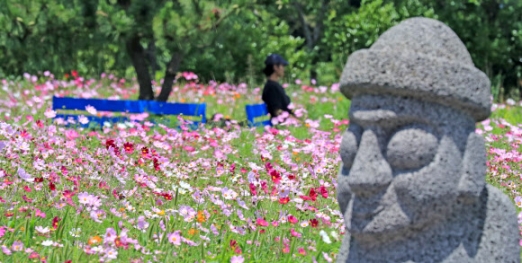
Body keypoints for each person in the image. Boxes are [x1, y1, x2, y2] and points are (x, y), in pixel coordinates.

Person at [261, 54, 300, 123]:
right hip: (281, 124)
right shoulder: (271, 87)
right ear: (275, 67)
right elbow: (277, 111)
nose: (283, 69)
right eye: (282, 66)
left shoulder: (275, 85)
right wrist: (294, 120)